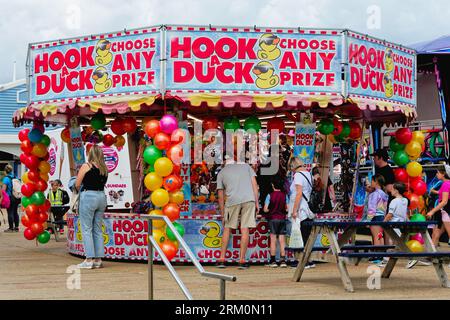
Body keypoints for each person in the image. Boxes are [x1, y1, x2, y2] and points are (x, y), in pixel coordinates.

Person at [216, 154, 260, 270]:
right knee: (245, 229)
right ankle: (241, 260)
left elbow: (220, 196)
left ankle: (221, 259)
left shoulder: (221, 173)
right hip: (249, 200)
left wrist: (222, 213)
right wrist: (256, 202)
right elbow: (255, 185)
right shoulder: (246, 167)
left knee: (227, 228)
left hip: (232, 202)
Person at [75, 145, 108, 269]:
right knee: (97, 229)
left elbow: (78, 184)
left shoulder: (86, 166)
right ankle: (98, 259)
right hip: (101, 197)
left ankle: (88, 259)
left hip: (89, 196)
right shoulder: (105, 168)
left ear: (90, 154)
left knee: (86, 229)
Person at [287, 157, 315, 269]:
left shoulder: (298, 176)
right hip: (307, 208)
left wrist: (294, 210)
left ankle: (301, 261)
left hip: (300, 209)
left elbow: (298, 194)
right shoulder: (308, 174)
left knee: (299, 235)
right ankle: (307, 259)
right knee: (306, 235)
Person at [263, 176, 288, 268]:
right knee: (282, 240)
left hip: (272, 219)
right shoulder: (284, 195)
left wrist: (270, 209)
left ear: (273, 185)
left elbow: (265, 209)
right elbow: (287, 208)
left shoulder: (270, 195)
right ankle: (283, 260)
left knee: (273, 240)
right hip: (282, 218)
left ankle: (273, 260)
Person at [366, 174, 388, 265]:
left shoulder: (374, 194)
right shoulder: (384, 194)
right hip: (382, 216)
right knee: (380, 236)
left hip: (374, 217)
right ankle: (380, 256)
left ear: (376, 182)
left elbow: (372, 208)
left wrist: (368, 220)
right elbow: (385, 208)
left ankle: (377, 256)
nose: (371, 183)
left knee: (376, 236)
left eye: (372, 181)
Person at [2, 165, 20, 233]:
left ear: (5, 171)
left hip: (10, 197)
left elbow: (3, 190)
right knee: (15, 212)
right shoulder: (15, 177)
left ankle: (11, 228)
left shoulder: (6, 178)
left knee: (10, 212)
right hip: (16, 197)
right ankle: (16, 227)